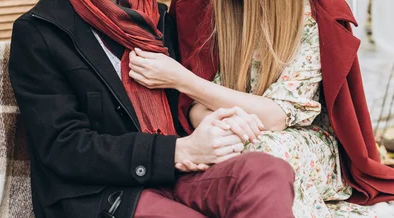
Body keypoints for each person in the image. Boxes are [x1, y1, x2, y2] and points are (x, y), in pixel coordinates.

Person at [8, 0, 297, 217]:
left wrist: (217, 122)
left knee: (266, 171)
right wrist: (176, 152)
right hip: (101, 195)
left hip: (177, 176)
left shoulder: (157, 17)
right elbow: (64, 147)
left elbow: (182, 102)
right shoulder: (39, 30)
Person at [127, 0, 394, 217]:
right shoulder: (216, 15)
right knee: (226, 147)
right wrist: (218, 121)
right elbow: (195, 107)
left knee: (262, 155)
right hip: (238, 134)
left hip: (302, 141)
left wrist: (182, 80)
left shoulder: (312, 19)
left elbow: (276, 116)